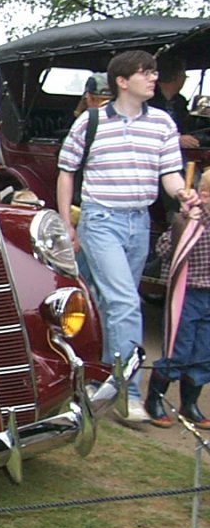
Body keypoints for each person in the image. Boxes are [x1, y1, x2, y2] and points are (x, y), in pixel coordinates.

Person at [56, 50, 201, 422]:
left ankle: (97, 379)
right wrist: (66, 223)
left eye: (154, 73)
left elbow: (169, 174)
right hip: (100, 220)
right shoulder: (90, 122)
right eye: (145, 73)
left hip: (139, 224)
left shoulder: (164, 124)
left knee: (108, 305)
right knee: (124, 304)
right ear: (122, 81)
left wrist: (182, 192)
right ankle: (128, 392)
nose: (154, 78)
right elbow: (67, 171)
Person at [146, 170, 210, 429]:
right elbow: (163, 250)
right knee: (178, 349)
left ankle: (190, 404)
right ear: (204, 196)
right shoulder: (191, 219)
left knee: (205, 352)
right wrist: (181, 225)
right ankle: (155, 400)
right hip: (188, 294)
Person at [150, 55, 204, 149]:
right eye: (184, 76)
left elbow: (186, 126)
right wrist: (176, 139)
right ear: (175, 77)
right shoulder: (148, 99)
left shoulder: (180, 101)